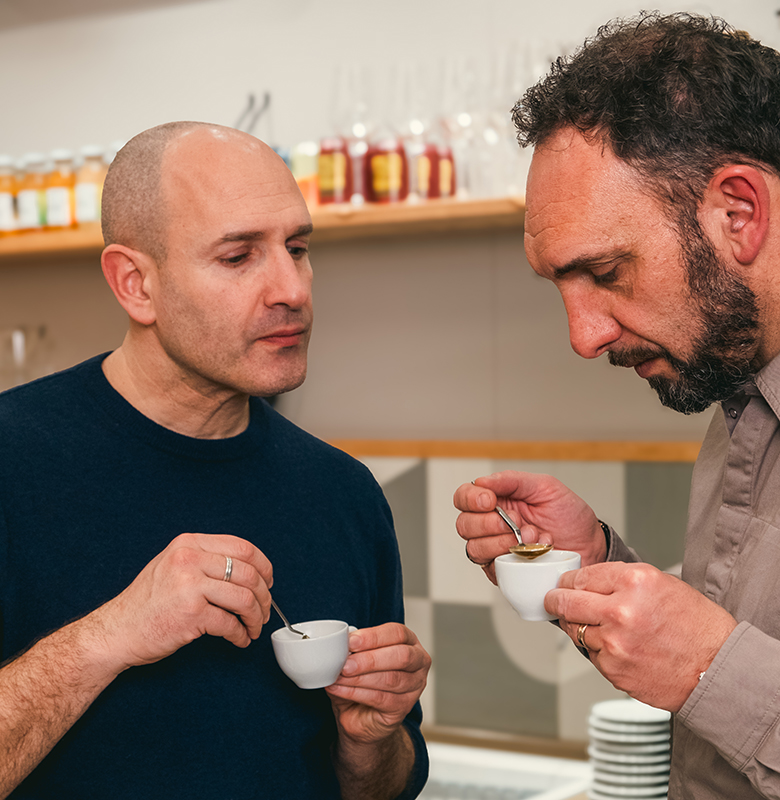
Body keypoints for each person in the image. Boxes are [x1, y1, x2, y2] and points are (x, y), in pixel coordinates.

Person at [0, 121, 430, 799]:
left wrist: (370, 742)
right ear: (135, 284)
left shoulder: (343, 493)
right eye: (238, 257)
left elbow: (386, 788)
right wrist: (109, 635)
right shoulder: (12, 460)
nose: (291, 288)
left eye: (298, 247)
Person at [454, 12, 780, 799]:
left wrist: (709, 665)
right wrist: (598, 561)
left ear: (738, 213)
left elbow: (719, 663)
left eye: (605, 271)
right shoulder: (736, 390)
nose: (584, 336)